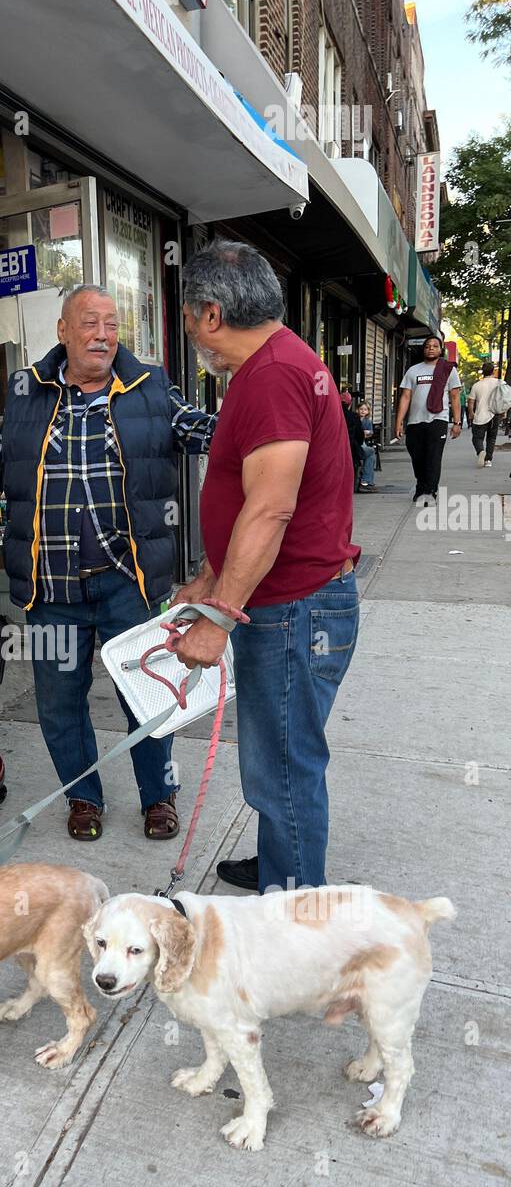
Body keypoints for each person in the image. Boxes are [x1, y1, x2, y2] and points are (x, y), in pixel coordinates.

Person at [0, 284, 216, 843]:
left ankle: (159, 797)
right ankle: (84, 797)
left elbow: (202, 430)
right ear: (63, 331)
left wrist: (261, 422)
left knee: (148, 692)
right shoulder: (27, 393)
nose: (103, 335)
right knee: (59, 703)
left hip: (127, 581)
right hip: (50, 587)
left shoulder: (149, 387)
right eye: (90, 323)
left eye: (111, 324)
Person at [170, 239, 360, 895]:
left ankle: (298, 905)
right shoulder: (280, 363)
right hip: (288, 605)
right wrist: (206, 579)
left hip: (290, 610)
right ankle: (285, 863)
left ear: (212, 313)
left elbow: (271, 508)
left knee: (282, 767)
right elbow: (249, 501)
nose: (194, 335)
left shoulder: (273, 375)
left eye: (191, 321)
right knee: (277, 762)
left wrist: (218, 616)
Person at [394, 336, 461, 504]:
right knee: (417, 457)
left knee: (433, 457)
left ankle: (429, 491)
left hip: (438, 419)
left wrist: (457, 423)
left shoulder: (448, 370)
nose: (431, 348)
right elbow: (405, 397)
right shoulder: (413, 371)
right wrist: (399, 422)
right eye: (428, 346)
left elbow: (455, 397)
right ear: (423, 350)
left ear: (441, 350)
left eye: (435, 346)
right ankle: (421, 485)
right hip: (415, 422)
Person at [467, 361, 503, 468]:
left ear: (482, 372)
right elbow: (505, 398)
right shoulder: (500, 383)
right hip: (495, 414)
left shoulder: (477, 385)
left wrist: (471, 413)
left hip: (480, 416)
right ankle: (488, 460)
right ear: (493, 371)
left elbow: (471, 401)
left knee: (477, 438)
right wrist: (503, 411)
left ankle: (480, 451)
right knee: (491, 439)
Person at [340, 389, 367, 493]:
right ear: (350, 404)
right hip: (351, 447)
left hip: (335, 447)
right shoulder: (354, 417)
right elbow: (360, 435)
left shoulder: (333, 414)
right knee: (368, 453)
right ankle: (365, 481)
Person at [356, 400, 378, 491]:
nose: (363, 411)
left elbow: (371, 432)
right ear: (357, 410)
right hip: (358, 443)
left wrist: (368, 433)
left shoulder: (367, 421)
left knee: (371, 455)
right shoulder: (355, 419)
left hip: (363, 441)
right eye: (361, 409)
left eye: (365, 409)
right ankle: (366, 481)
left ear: (368, 411)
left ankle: (367, 481)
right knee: (371, 453)